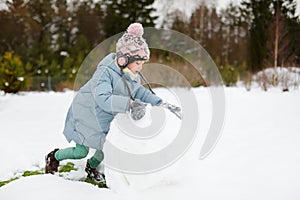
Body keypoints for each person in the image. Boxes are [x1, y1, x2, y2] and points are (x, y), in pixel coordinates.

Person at [45, 23, 181, 183]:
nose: (140, 67)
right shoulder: (105, 72)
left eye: (142, 64)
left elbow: (138, 91)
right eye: (138, 63)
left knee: (105, 148)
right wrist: (129, 104)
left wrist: (161, 103)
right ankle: (54, 157)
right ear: (124, 59)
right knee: (80, 151)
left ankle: (92, 167)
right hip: (85, 114)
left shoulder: (131, 74)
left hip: (102, 118)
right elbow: (103, 98)